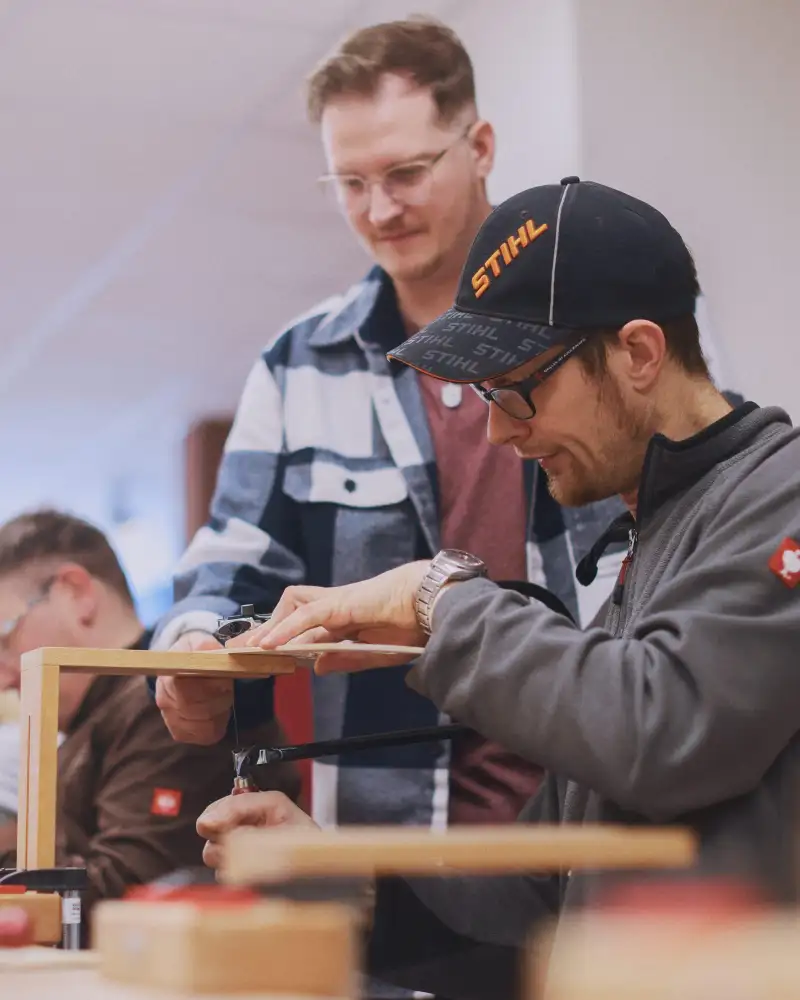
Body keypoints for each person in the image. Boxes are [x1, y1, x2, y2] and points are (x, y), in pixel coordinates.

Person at [195, 177, 800, 1000]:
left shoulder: (782, 497)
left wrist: (435, 596)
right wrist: (330, 876)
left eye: (519, 389)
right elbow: (540, 900)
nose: (499, 430)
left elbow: (664, 728)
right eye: (486, 395)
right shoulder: (648, 550)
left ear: (639, 353)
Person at [152, 17, 625, 834]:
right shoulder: (298, 366)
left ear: (479, 146)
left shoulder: (609, 327)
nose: (380, 209)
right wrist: (197, 652)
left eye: (405, 172)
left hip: (598, 822)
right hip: (389, 854)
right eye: (350, 182)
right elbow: (232, 564)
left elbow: (688, 553)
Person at [0, 509, 299, 943]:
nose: (5, 676)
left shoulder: (166, 701)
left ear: (76, 593)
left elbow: (119, 899)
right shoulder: (105, 716)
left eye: (5, 637)